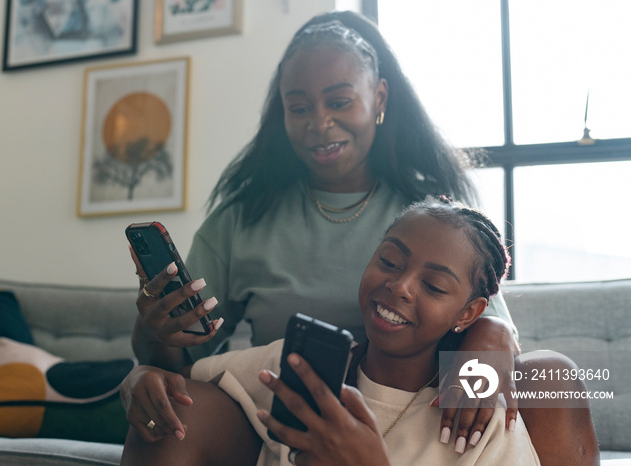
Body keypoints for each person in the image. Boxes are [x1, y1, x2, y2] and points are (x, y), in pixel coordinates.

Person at [121, 12, 598, 463]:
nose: (319, 123)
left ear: (380, 99)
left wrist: (492, 330)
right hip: (289, 412)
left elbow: (481, 311)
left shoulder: (428, 211)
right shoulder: (243, 217)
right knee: (171, 412)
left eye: (340, 101)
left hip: (424, 415)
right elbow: (184, 358)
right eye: (299, 107)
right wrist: (153, 340)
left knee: (550, 374)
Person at [121, 197, 547, 465]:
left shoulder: (479, 422)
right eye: (389, 262)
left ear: (469, 313)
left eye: (434, 286)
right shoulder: (293, 366)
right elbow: (180, 384)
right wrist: (141, 378)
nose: (399, 286)